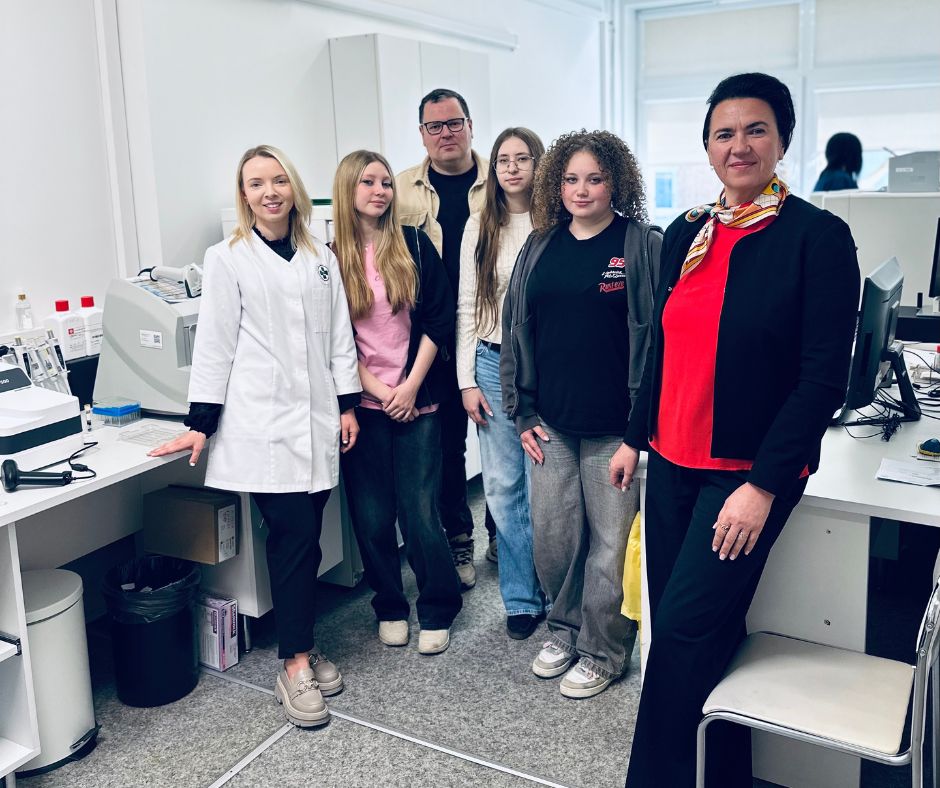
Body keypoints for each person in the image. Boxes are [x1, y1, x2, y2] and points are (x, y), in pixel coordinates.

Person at [611, 73, 860, 787]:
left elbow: (823, 380)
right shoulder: (687, 231)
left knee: (681, 638)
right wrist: (634, 436)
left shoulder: (817, 237)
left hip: (744, 476)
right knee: (699, 630)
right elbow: (662, 349)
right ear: (708, 147)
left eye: (756, 130)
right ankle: (720, 775)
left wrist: (763, 485)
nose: (739, 145)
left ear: (783, 141)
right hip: (672, 464)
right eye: (724, 133)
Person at [149, 144, 362, 728]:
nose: (269, 192)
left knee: (307, 539)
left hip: (317, 420)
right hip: (262, 426)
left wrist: (347, 404)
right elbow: (214, 344)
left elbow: (338, 336)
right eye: (256, 183)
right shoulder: (227, 258)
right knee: (294, 537)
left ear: (293, 187)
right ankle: (294, 663)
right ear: (243, 195)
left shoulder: (320, 256)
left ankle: (301, 640)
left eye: (278, 180)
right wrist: (201, 423)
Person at [501, 130, 662, 698]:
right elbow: (515, 330)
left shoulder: (641, 244)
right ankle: (565, 628)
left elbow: (659, 342)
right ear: (557, 184)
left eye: (595, 178)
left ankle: (604, 649)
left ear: (617, 182)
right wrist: (521, 413)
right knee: (554, 538)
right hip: (551, 424)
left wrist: (638, 435)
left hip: (616, 430)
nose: (582, 189)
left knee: (610, 547)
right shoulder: (539, 245)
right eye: (571, 179)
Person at [332, 150, 463, 655]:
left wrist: (408, 387)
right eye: (368, 182)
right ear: (348, 190)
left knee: (420, 511)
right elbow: (334, 341)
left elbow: (439, 318)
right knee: (371, 516)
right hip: (364, 405)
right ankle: (389, 605)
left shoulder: (413, 243)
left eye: (386, 182)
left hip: (417, 399)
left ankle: (437, 606)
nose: (380, 191)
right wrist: (381, 392)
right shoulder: (330, 258)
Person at [397, 87, 495, 589]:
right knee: (447, 447)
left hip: (492, 329)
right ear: (422, 133)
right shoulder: (401, 190)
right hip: (435, 336)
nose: (446, 133)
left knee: (503, 441)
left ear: (470, 125)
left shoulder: (499, 180)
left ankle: (502, 533)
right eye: (434, 126)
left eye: (454, 123)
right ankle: (459, 539)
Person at [457, 127, 548, 640]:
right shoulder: (481, 223)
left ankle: (556, 591)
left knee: (547, 487)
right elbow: (467, 306)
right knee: (502, 485)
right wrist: (465, 380)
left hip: (547, 367)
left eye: (522, 158)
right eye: (503, 160)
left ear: (539, 164)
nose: (512, 168)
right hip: (492, 364)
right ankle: (520, 597)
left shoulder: (556, 221)